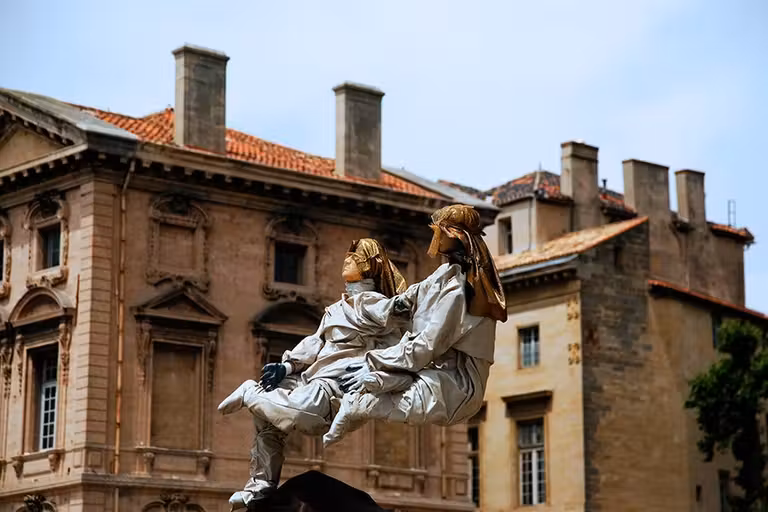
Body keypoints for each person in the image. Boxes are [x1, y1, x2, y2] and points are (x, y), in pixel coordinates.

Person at [217, 239, 409, 510]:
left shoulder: (375, 307)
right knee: (267, 421)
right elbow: (315, 342)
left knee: (298, 417)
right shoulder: (335, 310)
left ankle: (250, 392)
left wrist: (374, 367)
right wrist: (286, 367)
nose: (347, 259)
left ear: (370, 267)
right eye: (348, 255)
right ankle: (260, 486)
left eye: (355, 257)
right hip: (310, 378)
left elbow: (400, 338)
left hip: (334, 387)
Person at [322, 204, 507, 447]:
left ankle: (356, 407)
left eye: (438, 231)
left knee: (378, 395)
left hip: (455, 388)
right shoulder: (445, 274)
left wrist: (372, 362)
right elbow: (411, 296)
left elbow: (426, 346)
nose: (435, 237)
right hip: (429, 370)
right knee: (379, 378)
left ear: (452, 235)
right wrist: (371, 306)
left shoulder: (459, 293)